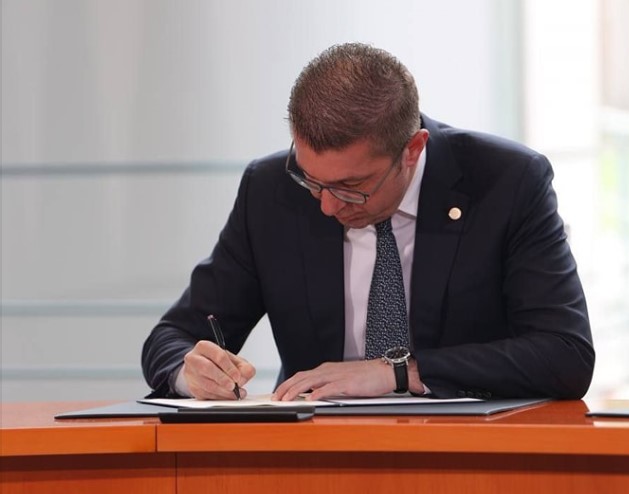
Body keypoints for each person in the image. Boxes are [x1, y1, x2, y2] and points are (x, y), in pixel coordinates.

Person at [141, 43, 594, 401]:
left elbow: (565, 353)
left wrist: (397, 372)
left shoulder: (506, 182)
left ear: (413, 149)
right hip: (315, 458)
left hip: (468, 452)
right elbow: (173, 336)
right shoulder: (271, 190)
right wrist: (191, 372)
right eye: (311, 181)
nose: (327, 206)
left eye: (351, 187)